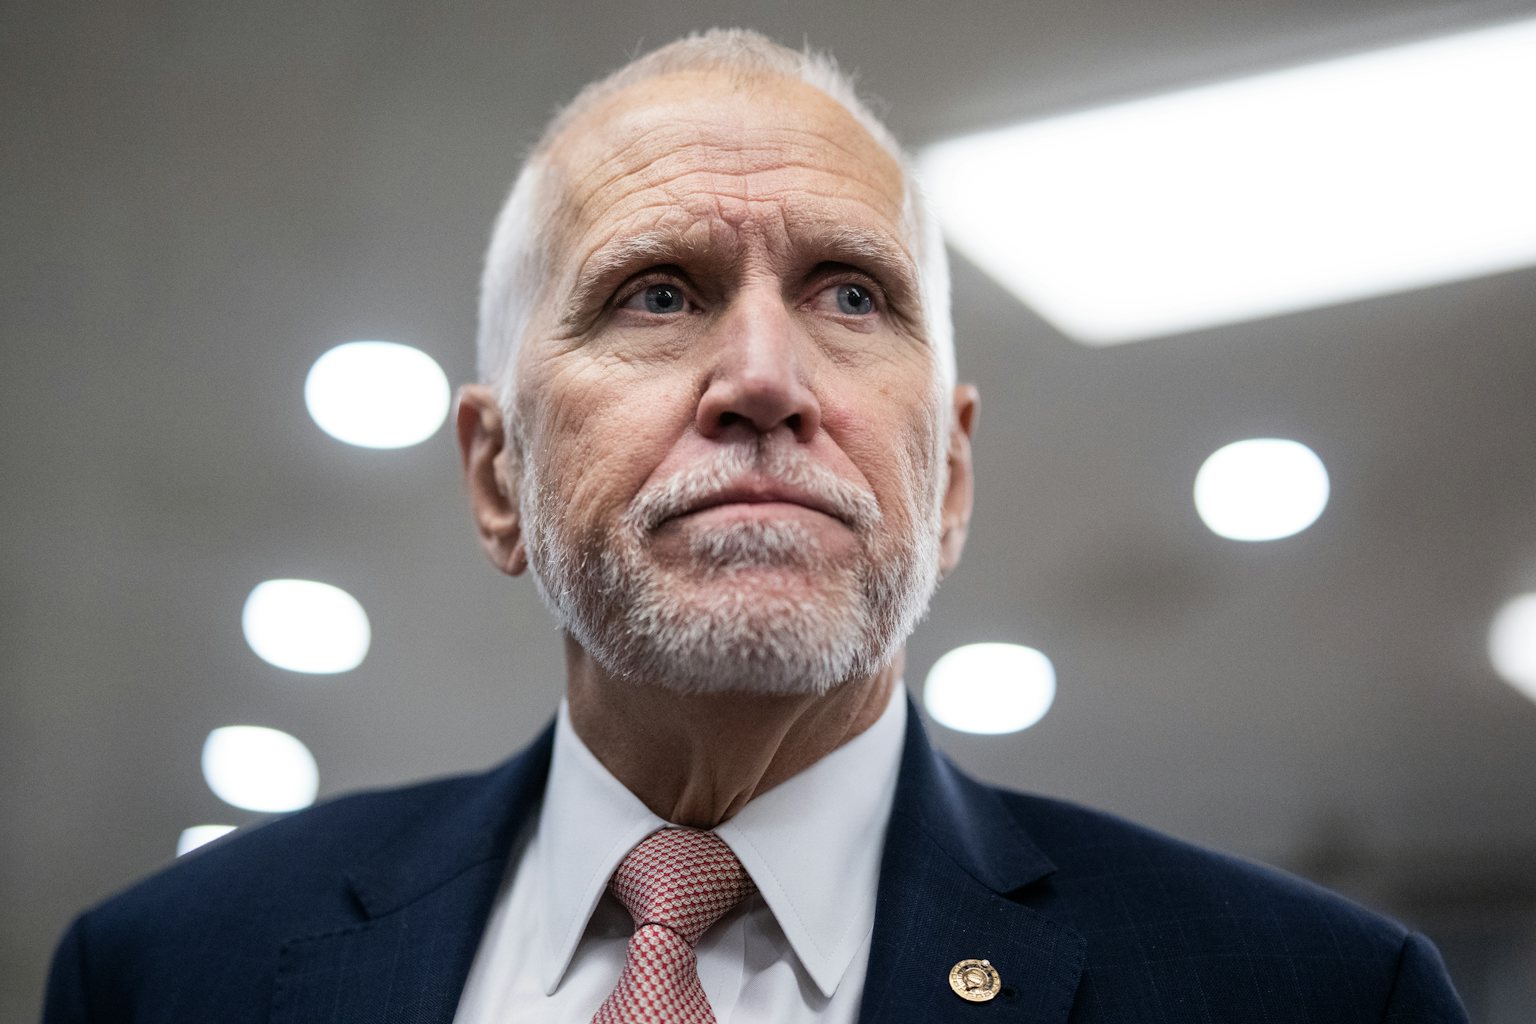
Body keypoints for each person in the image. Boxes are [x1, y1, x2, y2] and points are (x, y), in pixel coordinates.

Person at [43, 29, 1467, 1023]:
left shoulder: (1321, 997)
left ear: (949, 479)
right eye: (656, 292)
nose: (766, 379)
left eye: (851, 293)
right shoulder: (166, 975)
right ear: (497, 475)